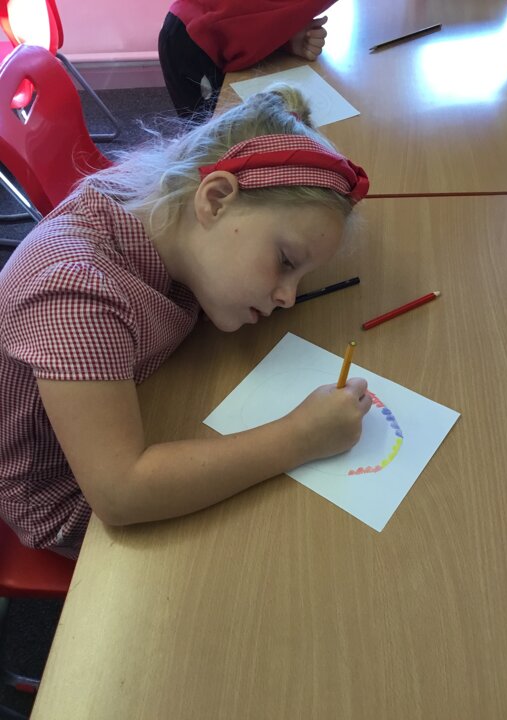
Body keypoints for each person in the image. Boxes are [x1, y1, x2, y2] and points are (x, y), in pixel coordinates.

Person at [0, 86, 371, 559]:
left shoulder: (170, 219)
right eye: (284, 261)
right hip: (69, 499)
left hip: (143, 401)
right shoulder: (76, 295)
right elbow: (120, 493)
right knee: (283, 553)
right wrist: (300, 437)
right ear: (214, 200)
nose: (287, 297)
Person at [159, 0, 336, 117]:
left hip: (208, 32)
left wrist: (286, 39)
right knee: (206, 141)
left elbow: (257, 13)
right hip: (190, 40)